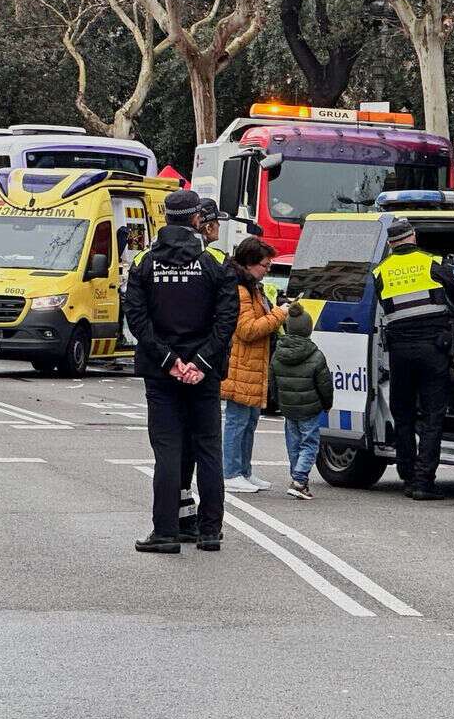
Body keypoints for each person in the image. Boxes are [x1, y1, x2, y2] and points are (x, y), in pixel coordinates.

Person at [125, 189, 240, 554]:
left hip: (162, 375)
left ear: (165, 217)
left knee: (168, 450)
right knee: (208, 449)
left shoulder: (144, 261)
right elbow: (227, 320)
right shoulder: (217, 261)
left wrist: (168, 360)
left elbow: (137, 320)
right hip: (203, 374)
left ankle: (166, 532)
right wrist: (201, 362)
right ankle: (209, 531)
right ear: (196, 220)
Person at [372, 218, 454, 500]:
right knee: (432, 415)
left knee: (403, 415)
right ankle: (424, 482)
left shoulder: (380, 272)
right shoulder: (433, 263)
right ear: (413, 237)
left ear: (390, 244)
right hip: (433, 349)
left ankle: (407, 475)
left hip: (399, 353)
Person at [223, 237, 288, 494]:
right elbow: (247, 330)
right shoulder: (241, 290)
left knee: (249, 421)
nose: (268, 268)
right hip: (241, 364)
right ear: (249, 264)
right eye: (264, 264)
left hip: (252, 364)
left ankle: (244, 472)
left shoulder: (254, 287)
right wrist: (279, 314)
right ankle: (231, 473)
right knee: (237, 421)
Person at [269, 303, 334, 499]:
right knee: (310, 444)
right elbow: (325, 384)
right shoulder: (315, 355)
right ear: (308, 329)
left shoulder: (278, 354)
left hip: (288, 409)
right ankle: (298, 480)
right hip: (310, 409)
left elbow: (273, 383)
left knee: (294, 444)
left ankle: (300, 483)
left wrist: (279, 402)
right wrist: (327, 404)